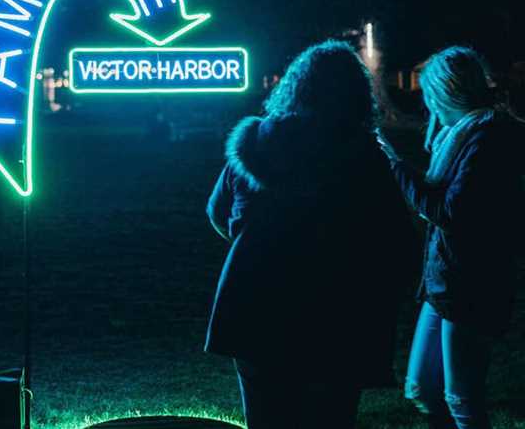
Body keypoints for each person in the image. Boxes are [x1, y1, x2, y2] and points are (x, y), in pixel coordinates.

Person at [205, 40, 417, 429]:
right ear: (355, 94)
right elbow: (395, 237)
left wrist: (254, 244)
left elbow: (218, 213)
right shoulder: (362, 154)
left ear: (295, 86)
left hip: (256, 304)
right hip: (336, 310)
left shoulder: (255, 144)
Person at [378, 47, 525, 429]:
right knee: (422, 388)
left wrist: (395, 166)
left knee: (461, 397)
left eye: (429, 94)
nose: (427, 104)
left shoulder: (487, 138)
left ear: (445, 91)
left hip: (472, 280)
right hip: (445, 280)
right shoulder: (462, 135)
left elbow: (449, 212)